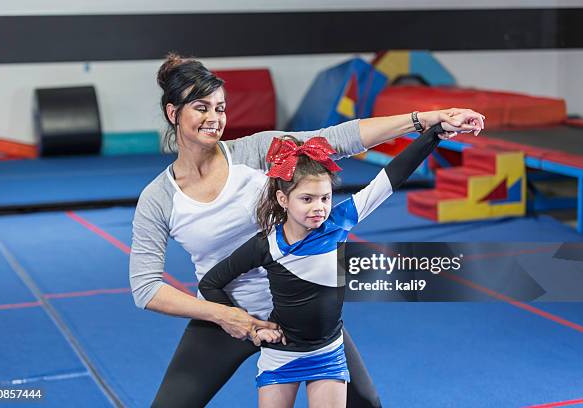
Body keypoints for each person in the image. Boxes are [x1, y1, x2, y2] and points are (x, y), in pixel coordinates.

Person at [129, 52, 485, 408]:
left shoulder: (256, 151)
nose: (214, 118)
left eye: (220, 108)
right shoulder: (159, 198)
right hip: (227, 316)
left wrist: (424, 119)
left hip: (304, 310)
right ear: (173, 113)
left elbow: (339, 139)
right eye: (201, 108)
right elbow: (146, 289)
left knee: (367, 404)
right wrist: (228, 316)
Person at [198, 123, 449, 407]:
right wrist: (252, 327)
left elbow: (390, 178)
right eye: (306, 199)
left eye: (325, 198)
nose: (318, 207)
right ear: (283, 199)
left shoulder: (339, 222)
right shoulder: (266, 245)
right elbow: (210, 283)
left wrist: (435, 133)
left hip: (328, 354)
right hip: (280, 355)